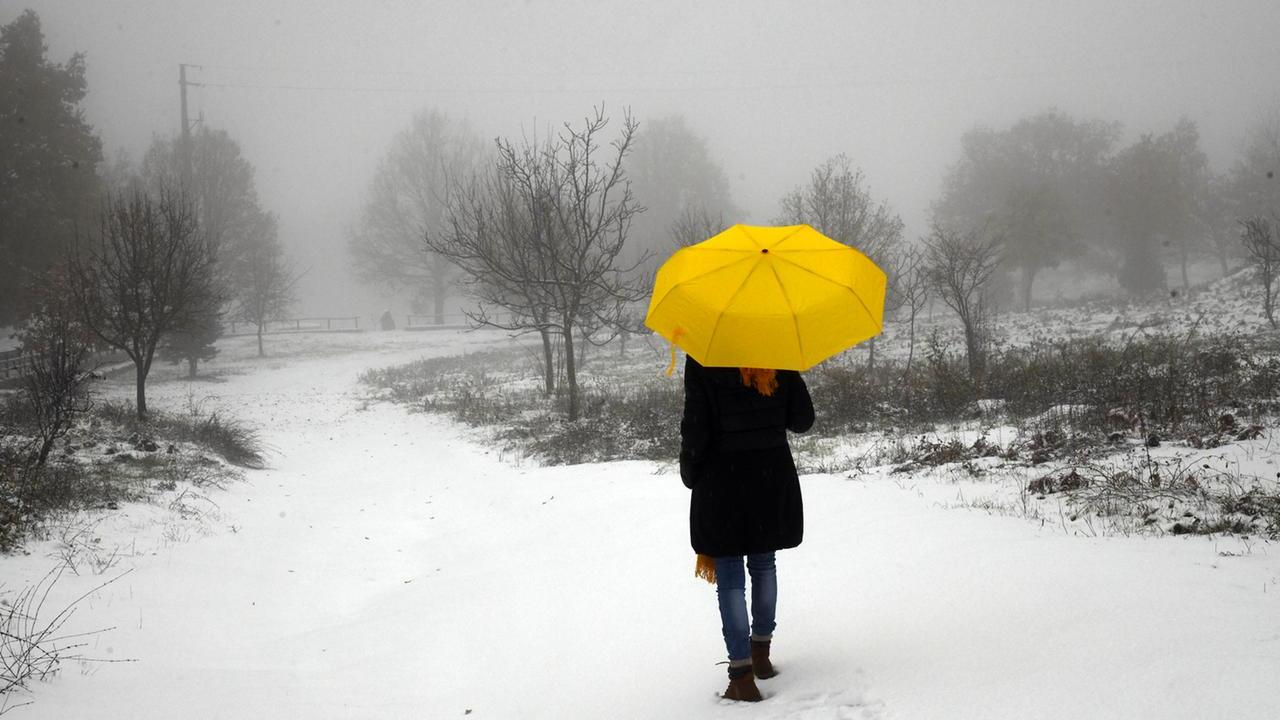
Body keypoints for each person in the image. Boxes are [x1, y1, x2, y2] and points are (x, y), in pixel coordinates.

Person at [679, 354, 814, 702]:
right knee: (764, 565)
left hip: (722, 479)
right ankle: (761, 656)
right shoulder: (773, 352)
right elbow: (802, 420)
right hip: (769, 477)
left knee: (729, 575)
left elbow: (696, 426)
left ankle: (741, 675)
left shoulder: (704, 358)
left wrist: (690, 470)